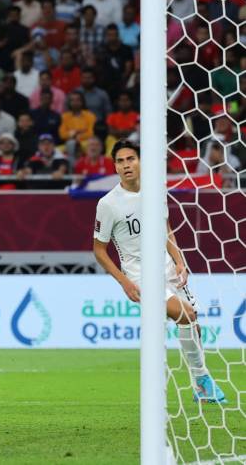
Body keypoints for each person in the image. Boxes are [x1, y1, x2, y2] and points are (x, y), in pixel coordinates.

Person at [93, 140, 225, 403]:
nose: (126, 165)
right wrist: (124, 282)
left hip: (167, 268)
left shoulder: (156, 191)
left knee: (193, 324)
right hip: (140, 276)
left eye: (130, 158)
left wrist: (179, 260)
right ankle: (202, 380)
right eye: (120, 161)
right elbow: (99, 250)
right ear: (115, 167)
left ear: (140, 161)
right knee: (185, 315)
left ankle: (200, 386)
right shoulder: (108, 204)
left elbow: (166, 230)